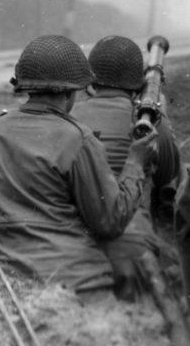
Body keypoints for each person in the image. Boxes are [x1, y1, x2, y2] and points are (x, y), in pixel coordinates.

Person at [0, 35, 158, 298]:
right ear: (70, 91)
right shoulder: (78, 139)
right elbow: (109, 222)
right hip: (81, 281)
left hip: (13, 276)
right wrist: (135, 163)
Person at [71, 35, 181, 301]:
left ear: (90, 79)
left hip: (72, 242)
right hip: (132, 246)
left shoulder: (70, 114)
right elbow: (170, 174)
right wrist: (162, 118)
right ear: (139, 82)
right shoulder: (149, 120)